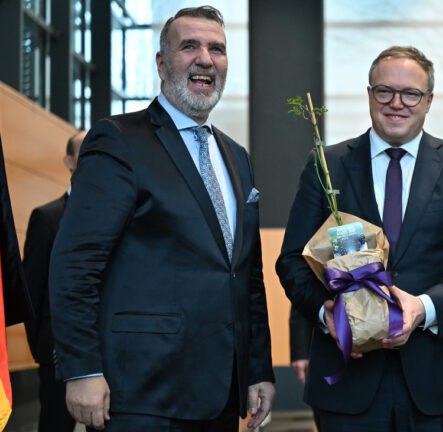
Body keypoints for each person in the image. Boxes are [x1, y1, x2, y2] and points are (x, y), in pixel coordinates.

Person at [48, 6, 274, 431]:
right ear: (161, 62)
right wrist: (81, 369)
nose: (205, 58)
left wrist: (258, 367)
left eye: (217, 49)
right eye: (189, 46)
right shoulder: (117, 141)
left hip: (221, 392)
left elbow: (246, 275)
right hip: (140, 394)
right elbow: (75, 265)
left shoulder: (237, 158)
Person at [276, 45, 443, 431]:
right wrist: (325, 315)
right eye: (384, 91)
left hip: (439, 382)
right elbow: (292, 260)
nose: (397, 103)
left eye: (410, 93)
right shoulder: (327, 165)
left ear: (428, 101)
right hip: (349, 383)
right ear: (369, 95)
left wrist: (422, 308)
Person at [23, 130, 85, 432]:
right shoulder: (46, 219)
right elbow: (31, 292)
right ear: (69, 160)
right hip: (56, 356)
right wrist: (43, 350)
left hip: (107, 358)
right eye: (84, 152)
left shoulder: (122, 219)